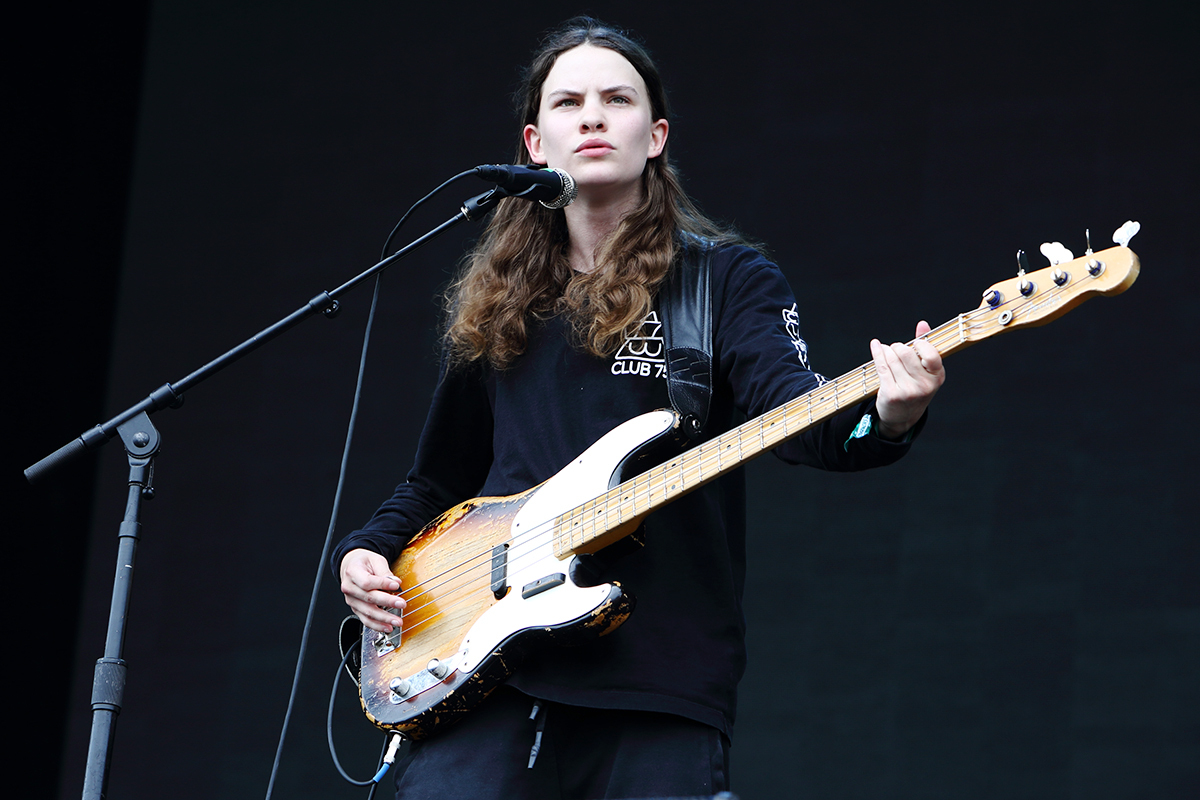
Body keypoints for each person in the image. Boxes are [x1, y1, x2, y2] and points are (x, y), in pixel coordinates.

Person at [334, 17, 944, 799]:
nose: (592, 116)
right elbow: (434, 481)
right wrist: (366, 552)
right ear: (533, 144)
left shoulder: (722, 282)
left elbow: (800, 419)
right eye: (569, 102)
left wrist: (889, 415)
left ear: (654, 136)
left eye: (616, 99)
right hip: (487, 683)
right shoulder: (502, 304)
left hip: (657, 686)